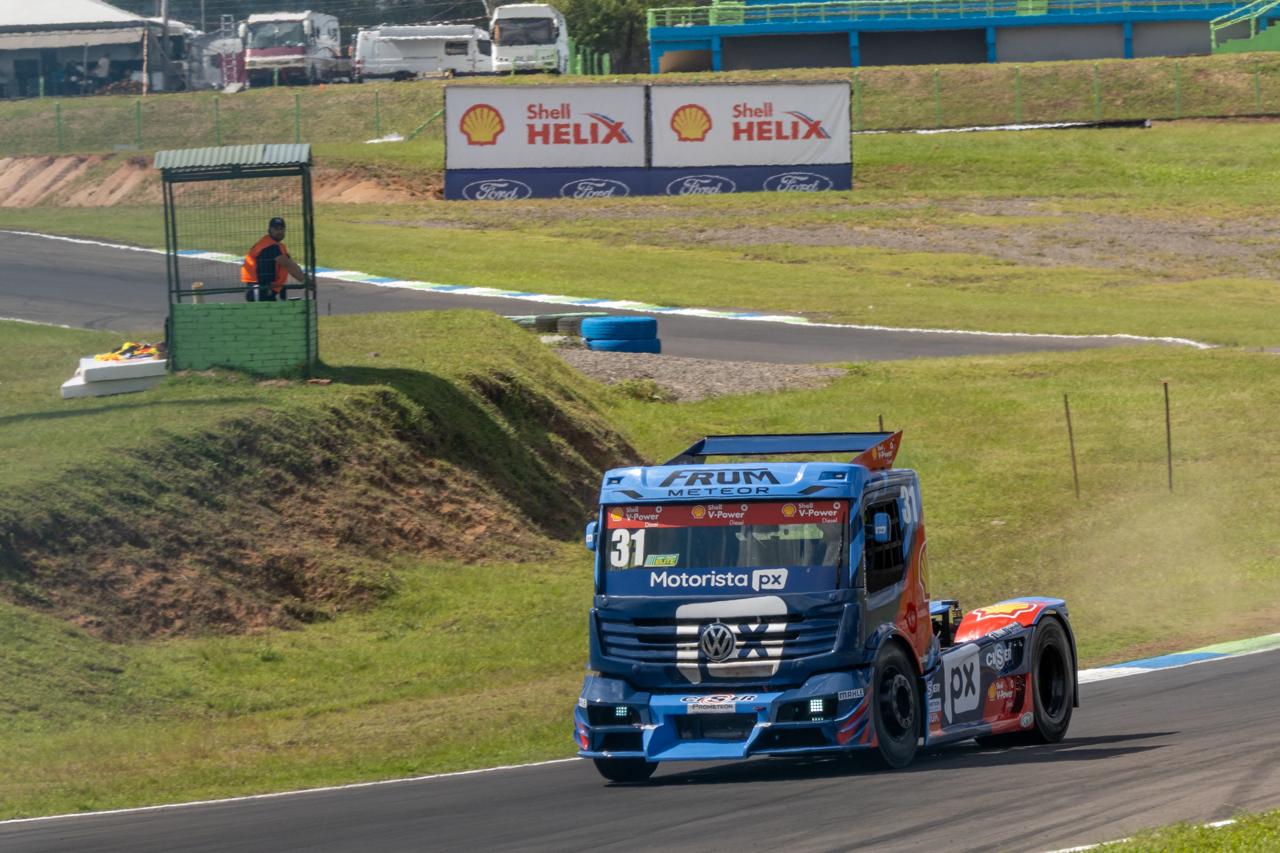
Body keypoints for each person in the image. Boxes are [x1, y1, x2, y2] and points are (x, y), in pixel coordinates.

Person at [241, 217, 308, 302]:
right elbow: (288, 265)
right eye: (276, 229)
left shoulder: (274, 245)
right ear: (269, 230)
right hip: (259, 290)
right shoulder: (270, 247)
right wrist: (305, 280)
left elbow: (290, 264)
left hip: (263, 290)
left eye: (281, 229)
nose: (279, 232)